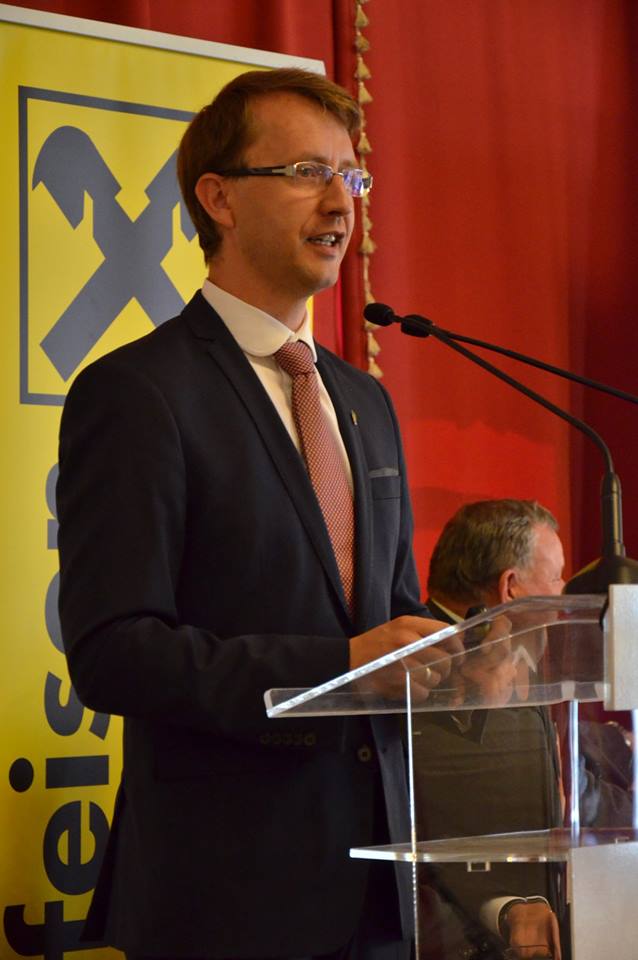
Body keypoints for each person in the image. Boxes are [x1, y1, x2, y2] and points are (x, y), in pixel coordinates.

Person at [56, 68, 455, 960]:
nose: (342, 202)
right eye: (308, 172)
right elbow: (116, 653)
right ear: (219, 198)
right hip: (226, 902)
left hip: (382, 897)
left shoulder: (363, 399)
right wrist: (339, 671)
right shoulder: (139, 394)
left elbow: (389, 612)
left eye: (351, 176)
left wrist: (463, 662)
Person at [418, 498, 632, 959]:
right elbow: (460, 812)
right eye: (557, 576)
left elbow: (562, 785)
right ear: (510, 586)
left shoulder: (513, 654)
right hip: (464, 933)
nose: (564, 592)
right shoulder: (428, 671)